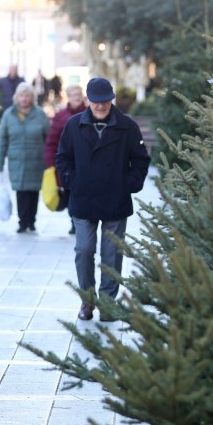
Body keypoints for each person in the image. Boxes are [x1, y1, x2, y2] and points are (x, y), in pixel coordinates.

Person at [56, 77, 150, 321]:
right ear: (88, 100)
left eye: (105, 102)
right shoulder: (74, 125)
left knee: (112, 253)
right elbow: (62, 157)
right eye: (96, 102)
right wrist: (72, 181)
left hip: (114, 199)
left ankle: (107, 303)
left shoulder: (127, 126)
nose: (100, 106)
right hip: (83, 197)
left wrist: (128, 184)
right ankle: (87, 301)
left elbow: (140, 159)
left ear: (111, 100)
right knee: (84, 249)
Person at [0, 82, 50, 233]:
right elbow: (2, 139)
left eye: (27, 95)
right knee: (20, 191)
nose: (24, 99)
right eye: (21, 95)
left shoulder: (39, 114)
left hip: (36, 160)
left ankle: (31, 221)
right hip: (17, 160)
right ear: (16, 97)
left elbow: (49, 138)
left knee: (33, 191)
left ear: (32, 98)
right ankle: (22, 222)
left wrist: (51, 160)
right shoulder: (9, 114)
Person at [43, 84, 88, 235]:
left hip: (87, 162)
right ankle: (74, 222)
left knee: (85, 192)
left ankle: (84, 220)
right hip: (67, 163)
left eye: (79, 94)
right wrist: (50, 164)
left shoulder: (90, 113)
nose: (77, 97)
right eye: (74, 94)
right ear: (68, 96)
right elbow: (52, 142)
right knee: (69, 193)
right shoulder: (61, 116)